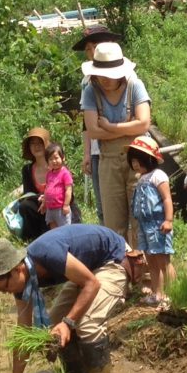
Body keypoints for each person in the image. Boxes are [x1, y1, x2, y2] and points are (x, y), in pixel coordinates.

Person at [0, 225, 144, 373]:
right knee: (54, 325)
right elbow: (23, 331)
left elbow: (92, 284)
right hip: (87, 269)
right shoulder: (21, 282)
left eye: (4, 288)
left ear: (17, 269)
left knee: (87, 325)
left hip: (112, 260)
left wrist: (68, 322)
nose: (7, 293)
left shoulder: (49, 252)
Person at [81, 42, 152, 244]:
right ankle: (120, 268)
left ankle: (145, 268)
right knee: (113, 221)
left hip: (137, 159)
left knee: (141, 215)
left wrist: (111, 127)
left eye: (110, 74)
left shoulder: (134, 86)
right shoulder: (90, 91)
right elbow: (93, 131)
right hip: (108, 161)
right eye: (101, 73)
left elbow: (144, 123)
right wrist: (129, 127)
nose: (104, 79)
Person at [75, 24, 123, 225]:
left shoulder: (125, 75)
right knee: (103, 205)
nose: (91, 52)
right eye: (88, 49)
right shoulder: (87, 81)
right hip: (97, 150)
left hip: (124, 148)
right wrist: (87, 153)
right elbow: (88, 126)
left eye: (94, 46)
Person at [128, 136, 173, 306]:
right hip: (144, 226)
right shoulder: (141, 179)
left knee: (163, 260)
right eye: (132, 161)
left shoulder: (158, 175)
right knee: (151, 260)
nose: (135, 164)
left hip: (157, 224)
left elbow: (166, 198)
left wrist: (168, 219)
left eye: (138, 160)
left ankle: (171, 292)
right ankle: (157, 293)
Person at [17, 127, 51, 242]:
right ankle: (33, 238)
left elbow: (66, 191)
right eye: (33, 143)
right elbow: (28, 195)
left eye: (39, 143)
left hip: (56, 205)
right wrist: (41, 198)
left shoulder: (56, 166)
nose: (36, 147)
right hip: (38, 206)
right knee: (25, 206)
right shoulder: (27, 169)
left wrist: (48, 198)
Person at [42, 142, 74, 229]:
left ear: (63, 158)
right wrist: (44, 203)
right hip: (50, 209)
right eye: (51, 159)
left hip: (61, 209)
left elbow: (68, 190)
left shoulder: (65, 173)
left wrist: (66, 205)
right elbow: (47, 188)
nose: (54, 161)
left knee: (64, 230)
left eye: (56, 158)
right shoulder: (49, 174)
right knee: (53, 230)